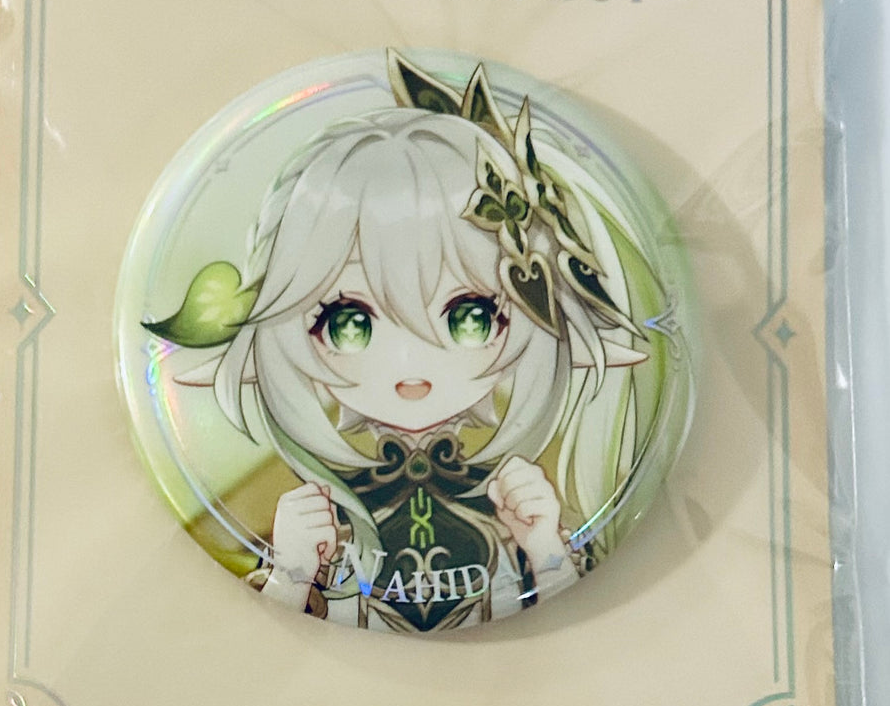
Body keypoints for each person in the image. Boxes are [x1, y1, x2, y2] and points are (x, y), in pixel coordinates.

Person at [146, 50, 663, 632]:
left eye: (470, 318)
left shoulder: (517, 502)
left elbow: (568, 608)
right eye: (348, 323)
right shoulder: (312, 517)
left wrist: (544, 548)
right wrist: (291, 571)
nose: (410, 370)